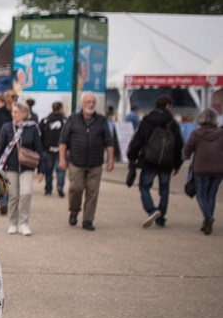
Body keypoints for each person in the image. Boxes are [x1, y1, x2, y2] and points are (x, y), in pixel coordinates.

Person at [59, 93, 115, 231]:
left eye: (93, 102)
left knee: (92, 192)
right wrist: (62, 159)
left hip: (95, 163)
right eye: (88, 101)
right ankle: (74, 210)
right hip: (76, 162)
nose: (91, 104)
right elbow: (63, 141)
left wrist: (111, 160)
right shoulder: (73, 119)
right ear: (82, 103)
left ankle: (88, 220)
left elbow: (109, 141)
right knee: (75, 189)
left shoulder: (101, 120)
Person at [127, 94, 184, 228]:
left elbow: (138, 140)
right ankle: (161, 218)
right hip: (167, 163)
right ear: (168, 106)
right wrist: (177, 164)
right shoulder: (173, 123)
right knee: (164, 190)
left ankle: (152, 210)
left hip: (149, 160)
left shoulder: (147, 120)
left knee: (144, 187)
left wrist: (132, 156)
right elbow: (178, 145)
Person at [0, 102, 42, 236]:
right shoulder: (7, 127)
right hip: (11, 167)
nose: (14, 114)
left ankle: (24, 223)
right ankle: (13, 223)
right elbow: (1, 148)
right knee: (13, 195)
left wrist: (42, 170)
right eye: (13, 112)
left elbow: (39, 149)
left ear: (25, 113)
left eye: (17, 112)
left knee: (26, 193)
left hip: (27, 167)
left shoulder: (32, 128)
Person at [182, 107, 223, 235]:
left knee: (201, 195)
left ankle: (208, 218)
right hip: (219, 169)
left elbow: (187, 150)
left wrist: (184, 157)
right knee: (211, 195)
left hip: (201, 168)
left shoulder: (196, 133)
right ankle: (207, 222)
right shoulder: (221, 133)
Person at [39, 102, 68, 197]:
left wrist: (41, 148)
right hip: (61, 150)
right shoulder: (65, 121)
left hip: (47, 149)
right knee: (61, 170)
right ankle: (60, 185)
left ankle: (48, 189)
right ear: (60, 109)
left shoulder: (45, 120)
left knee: (48, 170)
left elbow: (41, 135)